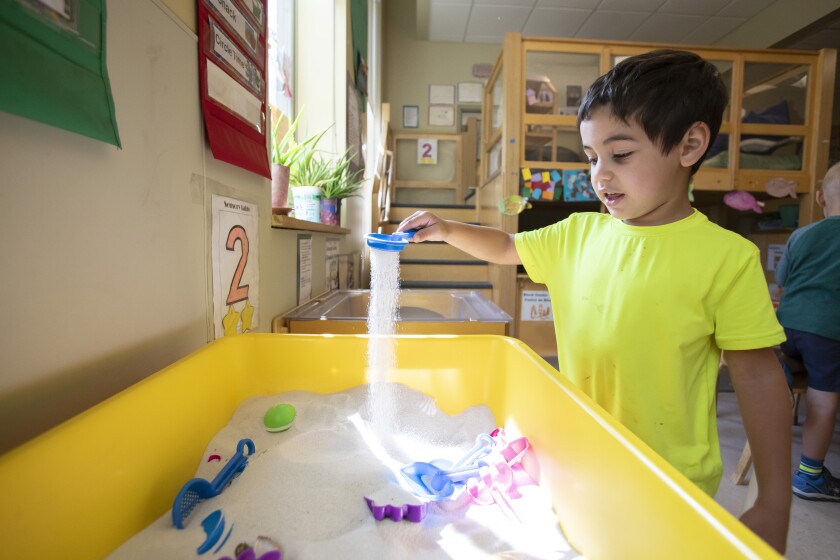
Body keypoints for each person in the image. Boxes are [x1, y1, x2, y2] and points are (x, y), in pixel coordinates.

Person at [398, 50, 792, 553]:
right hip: (576, 457)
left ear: (690, 144)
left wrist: (774, 500)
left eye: (621, 155)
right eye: (591, 157)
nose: (599, 176)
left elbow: (758, 376)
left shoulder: (727, 259)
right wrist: (448, 229)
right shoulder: (577, 234)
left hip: (667, 476)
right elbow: (505, 247)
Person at [775, 161, 840, 502]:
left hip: (788, 325)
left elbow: (783, 281)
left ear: (819, 198)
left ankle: (782, 365)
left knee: (804, 355)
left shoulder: (802, 234)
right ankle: (810, 475)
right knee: (824, 398)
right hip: (828, 331)